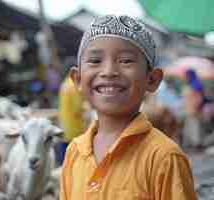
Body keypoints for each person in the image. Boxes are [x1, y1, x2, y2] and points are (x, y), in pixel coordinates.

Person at [60, 14, 197, 200]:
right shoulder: (74, 152)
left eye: (126, 61)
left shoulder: (164, 157)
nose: (108, 72)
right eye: (95, 61)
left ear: (152, 79)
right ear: (77, 79)